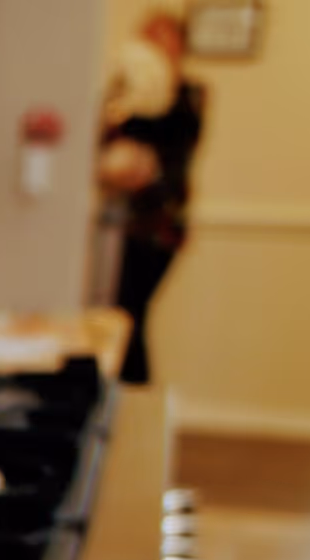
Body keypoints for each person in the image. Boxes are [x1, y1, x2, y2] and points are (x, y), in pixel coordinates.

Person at [97, 11, 205, 385]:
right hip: (121, 220)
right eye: (149, 37)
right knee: (120, 312)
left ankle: (130, 403)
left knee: (131, 311)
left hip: (158, 224)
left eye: (164, 38)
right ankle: (120, 399)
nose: (155, 45)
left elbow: (170, 144)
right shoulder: (122, 97)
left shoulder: (187, 98)